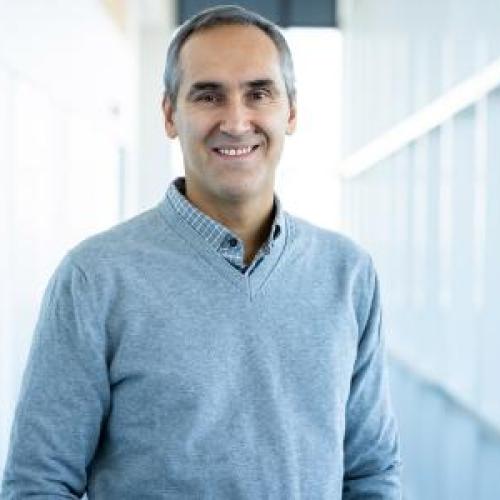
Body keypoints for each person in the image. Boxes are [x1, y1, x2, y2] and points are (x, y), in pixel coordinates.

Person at [1, 4, 401, 499]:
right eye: (208, 95)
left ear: (291, 111)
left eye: (259, 93)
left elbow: (370, 471)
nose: (236, 121)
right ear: (170, 114)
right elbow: (39, 482)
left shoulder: (348, 274)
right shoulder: (95, 277)